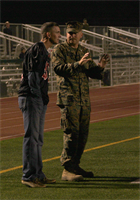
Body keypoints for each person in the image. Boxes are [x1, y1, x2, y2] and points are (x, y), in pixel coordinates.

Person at [51, 21, 109, 181]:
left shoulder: (84, 50)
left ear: (81, 34)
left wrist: (101, 66)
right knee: (71, 133)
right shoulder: (59, 49)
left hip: (83, 99)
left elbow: (92, 72)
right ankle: (67, 169)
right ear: (66, 34)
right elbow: (58, 68)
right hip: (69, 98)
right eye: (70, 32)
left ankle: (75, 165)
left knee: (83, 134)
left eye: (75, 33)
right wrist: (77, 64)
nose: (72, 35)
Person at [18, 22, 61, 188]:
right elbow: (34, 78)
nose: (59, 35)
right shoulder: (38, 49)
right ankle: (28, 176)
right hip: (31, 98)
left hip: (37, 98)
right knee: (31, 138)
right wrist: (38, 97)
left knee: (38, 139)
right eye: (57, 32)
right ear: (48, 34)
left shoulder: (44, 51)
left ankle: (37, 174)